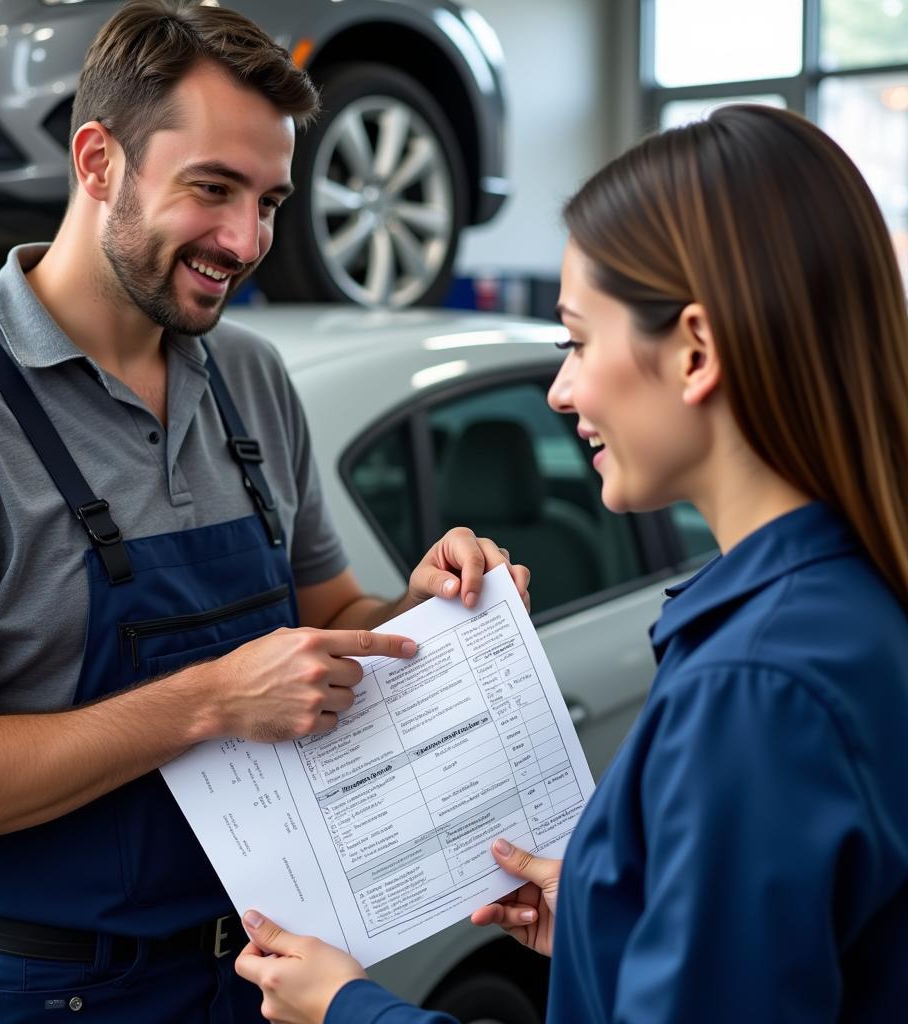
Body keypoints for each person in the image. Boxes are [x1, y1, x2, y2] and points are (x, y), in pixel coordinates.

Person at [0, 2, 531, 1021]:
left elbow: (327, 620)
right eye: (212, 190)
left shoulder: (250, 377)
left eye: (269, 199)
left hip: (260, 981)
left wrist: (418, 611)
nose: (245, 240)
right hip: (44, 995)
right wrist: (209, 700)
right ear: (98, 161)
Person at [232, 104, 908, 1023]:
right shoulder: (842, 605)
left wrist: (349, 1009)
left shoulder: (757, 687)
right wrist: (610, 916)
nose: (561, 390)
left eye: (577, 341)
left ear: (697, 352)